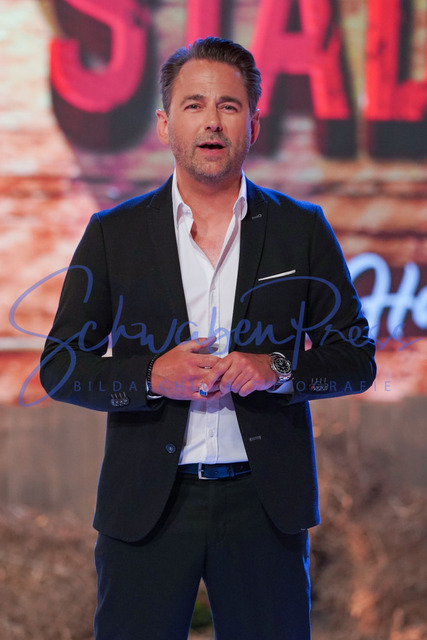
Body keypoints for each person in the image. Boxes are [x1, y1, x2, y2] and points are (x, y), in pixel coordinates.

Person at [40, 37, 376, 640]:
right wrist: (150, 376)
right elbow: (61, 367)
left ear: (254, 124)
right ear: (165, 124)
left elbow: (356, 360)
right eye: (194, 105)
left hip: (264, 507)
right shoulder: (114, 234)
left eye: (229, 105)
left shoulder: (301, 229)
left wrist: (277, 368)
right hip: (147, 507)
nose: (212, 121)